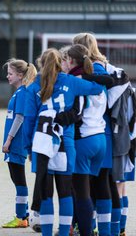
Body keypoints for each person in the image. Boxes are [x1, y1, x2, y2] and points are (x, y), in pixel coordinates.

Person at [23, 48, 104, 236]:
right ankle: (65, 231)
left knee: (45, 191)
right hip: (65, 143)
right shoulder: (71, 81)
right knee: (66, 192)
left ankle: (47, 233)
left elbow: (28, 121)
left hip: (42, 142)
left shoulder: (34, 86)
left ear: (41, 64)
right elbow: (97, 88)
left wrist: (28, 147)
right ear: (61, 63)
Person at [73, 32, 122, 236]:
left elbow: (105, 85)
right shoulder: (102, 65)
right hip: (103, 131)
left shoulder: (94, 68)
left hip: (97, 131)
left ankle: (97, 228)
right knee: (103, 182)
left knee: (99, 183)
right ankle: (108, 229)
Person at [1, 59, 37, 228]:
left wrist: (8, 140)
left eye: (10, 73)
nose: (7, 76)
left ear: (20, 75)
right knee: (16, 179)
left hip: (16, 143)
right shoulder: (18, 92)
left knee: (19, 179)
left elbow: (20, 118)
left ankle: (22, 216)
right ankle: (24, 215)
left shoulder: (23, 92)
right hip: (14, 143)